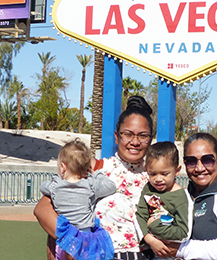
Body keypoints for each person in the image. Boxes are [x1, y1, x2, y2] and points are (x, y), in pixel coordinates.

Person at [35, 96, 154, 260]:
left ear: (150, 139)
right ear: (116, 136)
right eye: (128, 134)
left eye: (142, 136)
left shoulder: (157, 177)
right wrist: (73, 244)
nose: (135, 142)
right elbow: (42, 210)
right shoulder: (92, 168)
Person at [40, 140, 116, 260]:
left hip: (65, 240)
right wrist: (96, 174)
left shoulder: (55, 186)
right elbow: (110, 187)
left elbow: (43, 187)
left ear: (63, 166)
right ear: (87, 168)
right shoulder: (90, 184)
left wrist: (57, 182)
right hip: (86, 238)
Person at [134, 141, 193, 259]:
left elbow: (184, 233)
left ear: (177, 171)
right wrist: (149, 239)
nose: (158, 179)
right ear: (146, 170)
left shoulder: (181, 197)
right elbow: (140, 215)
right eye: (153, 174)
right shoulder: (149, 188)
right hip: (147, 249)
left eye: (165, 174)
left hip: (167, 254)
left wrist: (154, 225)